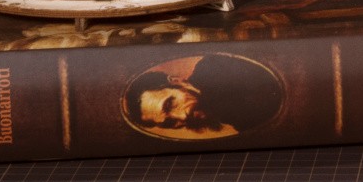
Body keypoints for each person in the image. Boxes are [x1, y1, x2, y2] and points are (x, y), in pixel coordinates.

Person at [122, 54, 285, 139]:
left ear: (177, 82)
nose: (182, 116)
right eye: (170, 122)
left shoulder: (217, 67)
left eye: (170, 104)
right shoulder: (223, 115)